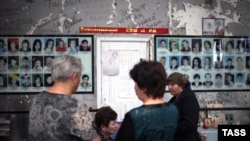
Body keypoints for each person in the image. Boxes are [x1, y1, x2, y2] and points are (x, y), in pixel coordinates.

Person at [28, 55, 96, 141]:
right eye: (79, 77)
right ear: (74, 77)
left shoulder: (36, 100)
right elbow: (93, 139)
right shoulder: (76, 107)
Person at [115, 60, 178, 141]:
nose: (134, 87)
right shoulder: (173, 110)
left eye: (136, 83)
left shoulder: (135, 116)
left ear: (144, 87)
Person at [166, 72, 200, 141]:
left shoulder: (188, 97)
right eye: (168, 84)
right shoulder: (175, 98)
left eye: (172, 84)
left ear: (181, 85)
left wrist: (168, 128)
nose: (169, 87)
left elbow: (189, 124)